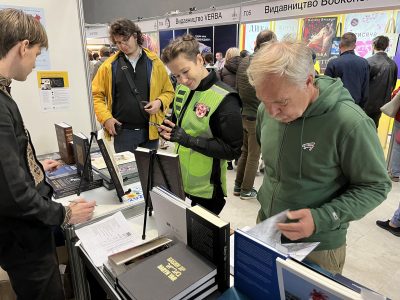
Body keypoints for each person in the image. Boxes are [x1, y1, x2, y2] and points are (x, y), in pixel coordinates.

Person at [249, 39, 391, 275]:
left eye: (281, 102)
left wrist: (321, 218)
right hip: (266, 229)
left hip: (318, 245)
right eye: (265, 101)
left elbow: (376, 186)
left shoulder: (349, 122)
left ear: (307, 81)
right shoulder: (267, 111)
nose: (272, 112)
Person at [0, 8, 96, 299]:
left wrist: (34, 165)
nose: (34, 63)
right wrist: (65, 213)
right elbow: (14, 195)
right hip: (24, 238)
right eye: (37, 53)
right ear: (23, 46)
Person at [159, 35, 243, 215]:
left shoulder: (226, 99)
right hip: (180, 180)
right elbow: (179, 123)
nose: (182, 80)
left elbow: (232, 150)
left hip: (207, 190)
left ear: (199, 59)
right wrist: (168, 129)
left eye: (185, 72)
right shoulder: (182, 89)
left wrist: (187, 139)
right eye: (176, 75)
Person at [92, 18, 174, 153]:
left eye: (125, 40)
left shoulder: (154, 62)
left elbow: (169, 91)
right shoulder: (109, 66)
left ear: (135, 36)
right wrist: (105, 118)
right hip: (123, 133)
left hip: (151, 131)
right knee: (128, 173)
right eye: (118, 42)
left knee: (149, 173)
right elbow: (96, 95)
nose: (122, 45)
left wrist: (159, 102)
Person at [234, 30, 276, 200]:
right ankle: (246, 190)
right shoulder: (263, 63)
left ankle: (238, 186)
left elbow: (239, 87)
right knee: (254, 155)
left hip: (243, 112)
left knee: (245, 151)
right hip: (256, 114)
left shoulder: (245, 60)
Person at [325, 32, 369, 108]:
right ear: (354, 46)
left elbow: (326, 88)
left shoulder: (333, 63)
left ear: (339, 45)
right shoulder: (364, 63)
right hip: (356, 107)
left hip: (336, 107)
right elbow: (365, 89)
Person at [364, 35, 398, 128]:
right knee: (374, 127)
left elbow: (363, 84)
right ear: (386, 46)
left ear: (373, 45)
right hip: (382, 104)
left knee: (362, 128)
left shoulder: (368, 62)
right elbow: (393, 84)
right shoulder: (393, 64)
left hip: (366, 103)